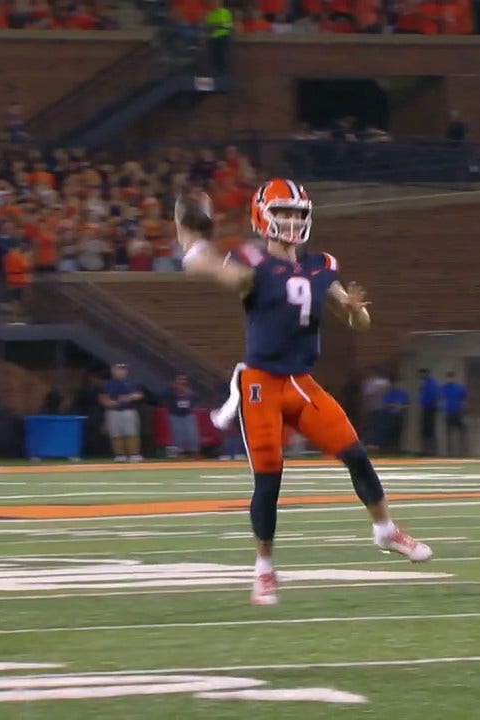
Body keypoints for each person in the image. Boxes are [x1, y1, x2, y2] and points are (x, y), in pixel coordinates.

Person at [175, 179, 432, 606]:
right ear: (264, 217)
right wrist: (197, 248)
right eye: (284, 212)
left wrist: (354, 309)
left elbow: (358, 322)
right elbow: (221, 273)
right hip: (261, 383)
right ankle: (265, 568)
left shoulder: (319, 265)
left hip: (300, 381)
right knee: (269, 478)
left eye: (297, 213)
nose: (292, 220)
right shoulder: (254, 266)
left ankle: (386, 531)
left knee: (354, 451)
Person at [100, 363, 144, 462]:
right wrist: (109, 403)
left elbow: (140, 395)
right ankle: (120, 455)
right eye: (119, 369)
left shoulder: (134, 383)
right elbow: (103, 398)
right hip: (113, 411)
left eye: (123, 369)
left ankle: (134, 455)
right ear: (113, 371)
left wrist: (132, 397)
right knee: (116, 434)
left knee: (132, 433)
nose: (121, 371)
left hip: (129, 410)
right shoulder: (107, 384)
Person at [165, 374, 202, 458]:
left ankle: (195, 452)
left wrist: (188, 393)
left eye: (184, 380)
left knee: (192, 433)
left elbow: (197, 400)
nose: (182, 382)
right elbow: (165, 398)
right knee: (177, 434)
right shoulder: (170, 391)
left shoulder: (189, 391)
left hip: (188, 414)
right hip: (175, 415)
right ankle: (179, 452)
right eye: (180, 380)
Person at [441, 371, 468, 456]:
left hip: (458, 412)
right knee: (448, 434)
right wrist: (443, 410)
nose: (449, 379)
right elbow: (442, 400)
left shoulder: (460, 387)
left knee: (461, 432)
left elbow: (464, 400)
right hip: (449, 413)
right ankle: (450, 453)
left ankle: (462, 452)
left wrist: (463, 411)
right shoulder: (444, 388)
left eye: (451, 377)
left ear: (454, 378)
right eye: (448, 377)